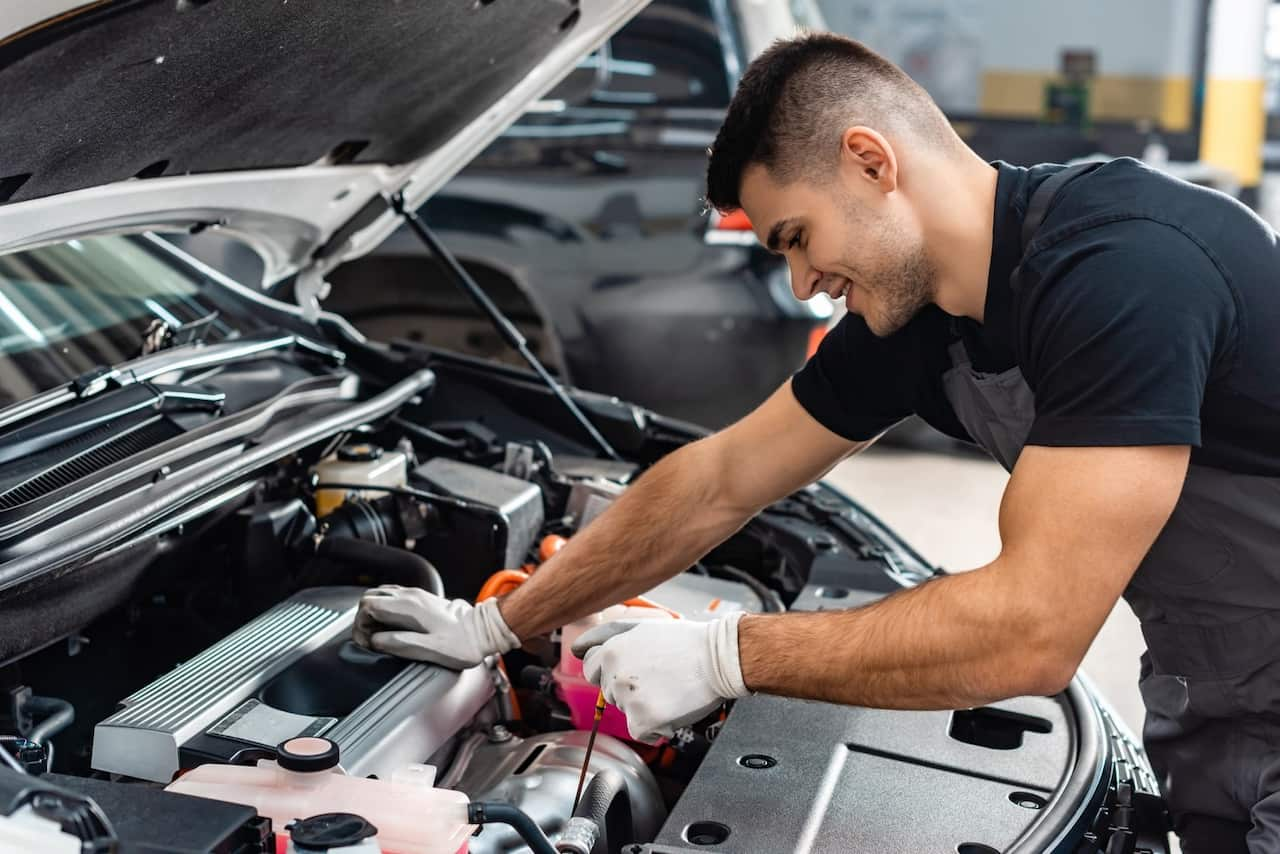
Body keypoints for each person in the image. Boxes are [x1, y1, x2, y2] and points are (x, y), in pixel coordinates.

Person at [352, 33, 1280, 853]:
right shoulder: (927, 320)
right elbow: (718, 480)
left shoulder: (1124, 270)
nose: (802, 284)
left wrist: (726, 658)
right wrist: (499, 625)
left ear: (872, 161)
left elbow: (1033, 632)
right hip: (1211, 695)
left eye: (797, 237)